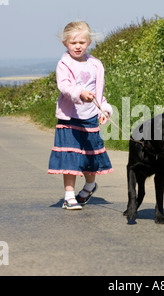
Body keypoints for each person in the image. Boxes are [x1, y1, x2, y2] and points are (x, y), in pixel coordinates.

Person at [48, 21, 113, 210]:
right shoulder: (64, 64)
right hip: (70, 118)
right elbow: (65, 86)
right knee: (70, 158)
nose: (78, 46)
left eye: (82, 42)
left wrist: (104, 110)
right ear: (65, 43)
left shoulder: (96, 64)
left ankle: (90, 186)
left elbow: (99, 92)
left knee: (89, 159)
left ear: (89, 42)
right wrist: (80, 94)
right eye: (73, 42)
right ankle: (69, 196)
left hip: (90, 117)